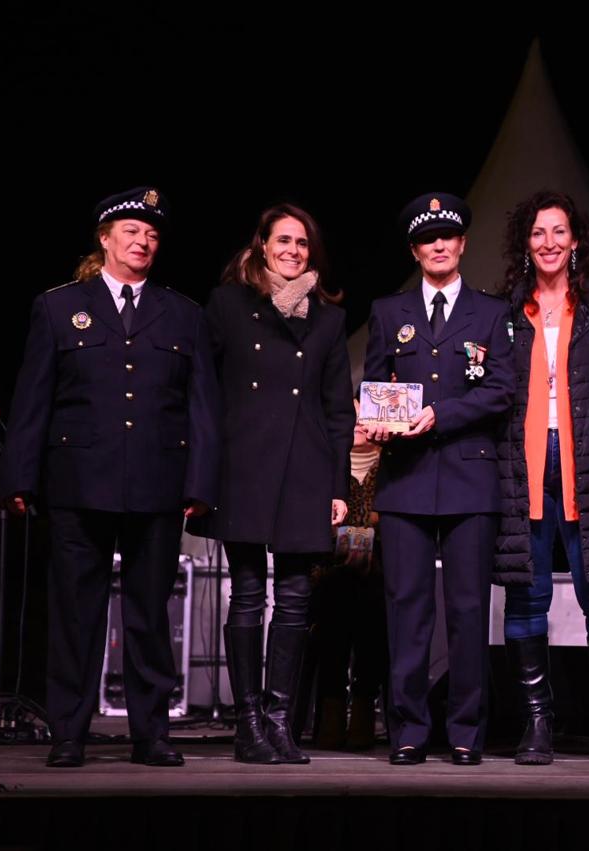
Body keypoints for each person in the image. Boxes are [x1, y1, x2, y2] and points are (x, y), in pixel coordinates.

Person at [0, 187, 220, 768]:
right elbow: (33, 401)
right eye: (130, 230)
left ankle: (152, 735)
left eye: (151, 233)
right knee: (76, 615)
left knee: (150, 616)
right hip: (78, 482)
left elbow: (201, 408)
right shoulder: (57, 306)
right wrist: (18, 478)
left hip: (156, 484)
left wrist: (200, 484)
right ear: (104, 239)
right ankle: (68, 732)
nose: (143, 240)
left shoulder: (183, 313)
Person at [493, 190, 589, 766]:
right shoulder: (505, 311)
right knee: (524, 598)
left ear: (575, 240)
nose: (549, 243)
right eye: (538, 233)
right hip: (520, 470)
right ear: (525, 244)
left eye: (559, 232)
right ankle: (537, 725)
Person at [362, 192, 514, 766]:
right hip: (405, 480)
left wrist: (440, 414)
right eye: (428, 239)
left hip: (469, 478)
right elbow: (375, 386)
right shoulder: (387, 313)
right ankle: (406, 729)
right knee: (406, 608)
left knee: (470, 609)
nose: (439, 245)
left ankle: (466, 731)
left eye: (448, 236)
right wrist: (374, 422)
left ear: (462, 244)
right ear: (415, 250)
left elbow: (501, 389)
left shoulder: (492, 313)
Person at [207, 203, 354, 764]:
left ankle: (279, 722)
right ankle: (248, 726)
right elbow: (206, 396)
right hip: (243, 468)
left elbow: (338, 409)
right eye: (283, 241)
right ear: (261, 246)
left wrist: (339, 485)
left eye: (302, 243)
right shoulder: (226, 305)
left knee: (295, 600)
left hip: (306, 469)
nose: (293, 251)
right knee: (246, 595)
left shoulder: (329, 318)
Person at [308, 400, 388, 751]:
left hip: (379, 577)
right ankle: (331, 711)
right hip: (328, 576)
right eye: (350, 414)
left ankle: (363, 708)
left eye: (364, 414)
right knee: (335, 596)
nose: (358, 422)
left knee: (373, 602)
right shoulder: (324, 468)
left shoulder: (391, 469)